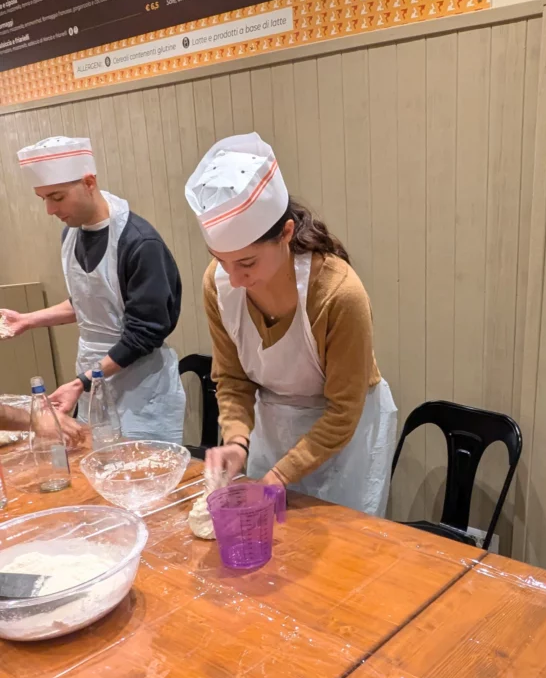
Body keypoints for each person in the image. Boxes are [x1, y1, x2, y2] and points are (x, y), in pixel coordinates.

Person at [186, 133, 397, 512]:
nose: (233, 279)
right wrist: (236, 441)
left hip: (344, 439)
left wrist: (278, 477)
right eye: (220, 259)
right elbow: (232, 378)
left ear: (285, 233)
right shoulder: (218, 285)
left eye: (247, 263)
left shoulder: (337, 294)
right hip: (275, 428)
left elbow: (343, 411)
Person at [3, 136, 187, 443]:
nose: (50, 209)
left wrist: (82, 382)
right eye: (43, 199)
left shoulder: (140, 243)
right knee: (98, 467)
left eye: (57, 197)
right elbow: (88, 302)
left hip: (140, 386)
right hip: (92, 379)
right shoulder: (71, 235)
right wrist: (28, 320)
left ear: (89, 182)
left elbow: (144, 333)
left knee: (142, 478)